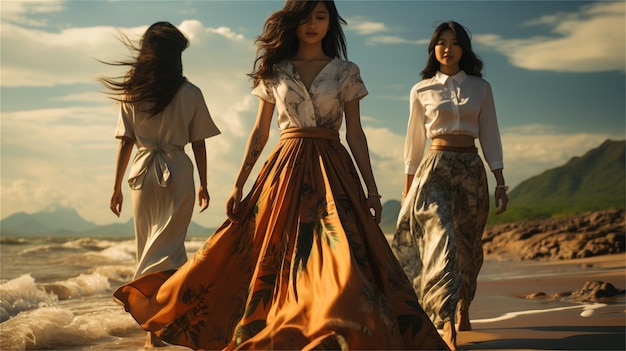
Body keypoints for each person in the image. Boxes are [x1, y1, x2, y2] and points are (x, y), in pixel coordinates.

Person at [113, 1, 448, 350]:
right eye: (305, 17)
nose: (312, 24)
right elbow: (259, 133)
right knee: (270, 258)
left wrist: (373, 191)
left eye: (320, 16)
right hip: (284, 171)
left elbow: (356, 135)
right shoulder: (275, 71)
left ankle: (340, 330)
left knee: (344, 261)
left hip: (334, 173)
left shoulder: (346, 71)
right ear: (293, 22)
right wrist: (239, 183)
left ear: (331, 22)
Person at [101, 21, 221, 347]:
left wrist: (115, 188)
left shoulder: (132, 91)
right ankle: (166, 321)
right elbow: (199, 143)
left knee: (147, 248)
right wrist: (204, 184)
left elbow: (125, 142)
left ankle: (154, 330)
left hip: (140, 175)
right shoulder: (191, 93)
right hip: (178, 172)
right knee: (169, 250)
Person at [391, 21, 509, 350]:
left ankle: (463, 306)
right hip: (434, 169)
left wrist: (499, 180)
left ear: (463, 49)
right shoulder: (422, 89)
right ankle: (444, 322)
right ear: (433, 49)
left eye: (454, 42)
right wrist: (407, 187)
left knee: (469, 249)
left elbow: (490, 135)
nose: (447, 48)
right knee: (440, 241)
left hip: (471, 170)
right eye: (440, 42)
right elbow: (413, 142)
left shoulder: (480, 88)